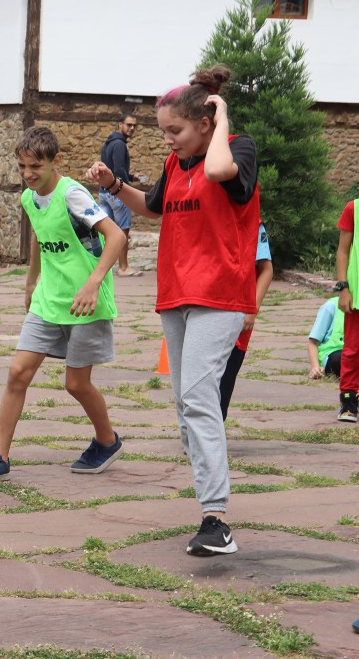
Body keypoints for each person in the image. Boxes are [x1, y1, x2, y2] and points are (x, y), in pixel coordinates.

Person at [86, 65, 260, 557]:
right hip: (177, 294)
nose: (168, 139)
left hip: (220, 296)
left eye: (175, 130)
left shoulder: (238, 150)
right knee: (186, 407)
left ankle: (216, 519)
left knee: (199, 398)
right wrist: (115, 185)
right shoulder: (174, 162)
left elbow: (219, 172)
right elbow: (154, 206)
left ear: (205, 123)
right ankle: (210, 500)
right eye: (163, 131)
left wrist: (223, 118)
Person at [0, 126, 125, 485]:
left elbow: (116, 236)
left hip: (85, 302)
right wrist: (31, 281)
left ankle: (107, 441)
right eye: (22, 166)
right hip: (48, 299)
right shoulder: (29, 198)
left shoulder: (72, 195)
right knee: (18, 372)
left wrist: (93, 283)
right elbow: (41, 238)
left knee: (76, 384)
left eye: (35, 166)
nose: (28, 174)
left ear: (56, 161)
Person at [218, 221, 274, 420]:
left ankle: (216, 428)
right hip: (205, 308)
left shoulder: (254, 225)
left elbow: (266, 270)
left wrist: (252, 309)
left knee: (225, 378)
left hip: (238, 314)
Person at [99, 113, 145, 277]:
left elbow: (112, 169)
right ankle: (123, 267)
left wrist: (132, 177)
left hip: (104, 192)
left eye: (134, 126)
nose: (132, 128)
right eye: (129, 125)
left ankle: (104, 267)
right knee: (122, 231)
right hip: (117, 194)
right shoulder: (119, 144)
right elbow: (118, 170)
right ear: (120, 124)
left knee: (108, 232)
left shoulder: (108, 143)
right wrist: (127, 189)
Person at [333, 198, 359, 422]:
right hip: (357, 294)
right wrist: (343, 288)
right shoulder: (354, 208)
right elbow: (343, 251)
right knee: (352, 350)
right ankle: (349, 401)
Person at [306, 297, 343, 380]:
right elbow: (313, 343)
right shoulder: (331, 306)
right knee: (340, 359)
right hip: (335, 354)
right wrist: (315, 367)